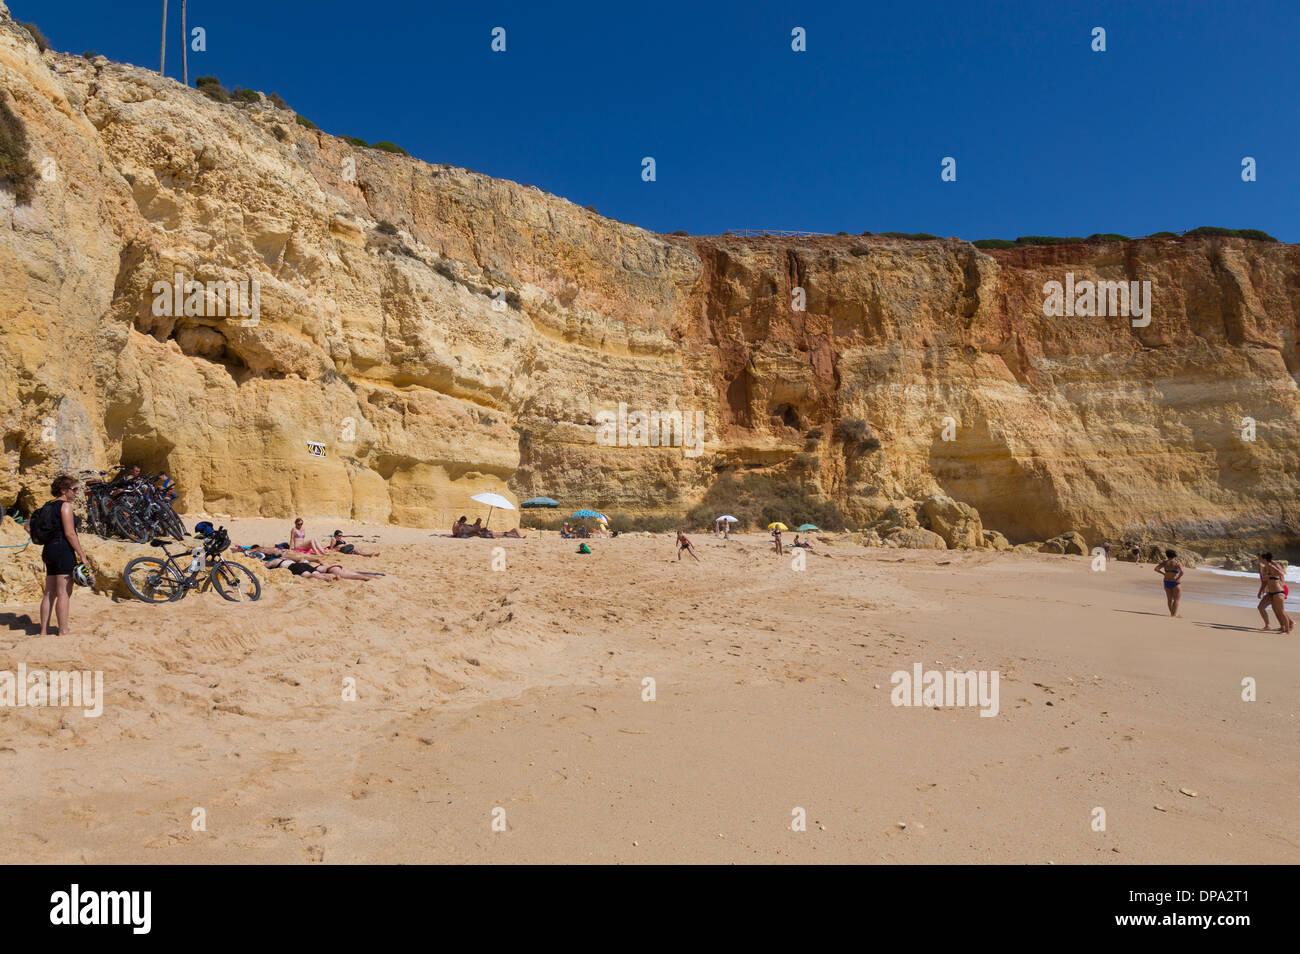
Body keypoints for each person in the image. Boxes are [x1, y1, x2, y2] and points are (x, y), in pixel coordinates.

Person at [38, 475, 92, 636]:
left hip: (48, 550)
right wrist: (82, 555)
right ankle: (63, 629)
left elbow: (29, 526)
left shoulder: (46, 506)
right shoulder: (65, 506)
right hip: (63, 549)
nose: (77, 493)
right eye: (74, 489)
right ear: (63, 490)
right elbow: (70, 533)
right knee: (63, 593)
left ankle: (43, 630)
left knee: (49, 592)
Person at [1256, 552, 1293, 634]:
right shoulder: (1264, 568)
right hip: (1271, 592)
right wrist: (1260, 591)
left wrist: (1270, 576)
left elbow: (1281, 573)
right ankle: (1275, 626)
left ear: (1264, 559)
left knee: (1280, 610)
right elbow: (1264, 582)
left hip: (1278, 591)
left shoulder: (1273, 565)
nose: (1259, 560)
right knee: (1265, 608)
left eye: (1260, 558)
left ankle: (1287, 629)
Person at [1154, 549, 1183, 618]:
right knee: (1176, 599)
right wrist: (1178, 577)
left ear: (1167, 555)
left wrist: (1164, 573)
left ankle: (1172, 614)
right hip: (1175, 582)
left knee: (1169, 599)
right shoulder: (1177, 563)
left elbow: (1156, 569)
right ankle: (1174, 615)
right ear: (1174, 555)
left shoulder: (1165, 562)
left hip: (1166, 581)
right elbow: (1182, 571)